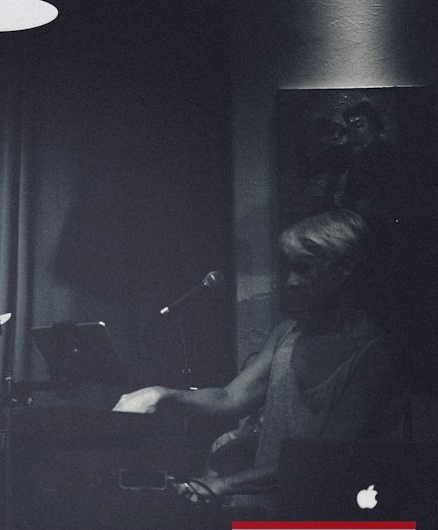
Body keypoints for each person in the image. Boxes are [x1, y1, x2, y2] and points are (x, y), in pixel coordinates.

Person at [113, 209, 406, 508]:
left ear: (345, 268)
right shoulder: (287, 334)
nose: (291, 281)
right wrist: (160, 395)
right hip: (265, 515)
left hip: (324, 523)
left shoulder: (376, 355)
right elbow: (230, 397)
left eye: (304, 268)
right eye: (289, 269)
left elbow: (323, 457)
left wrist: (221, 484)